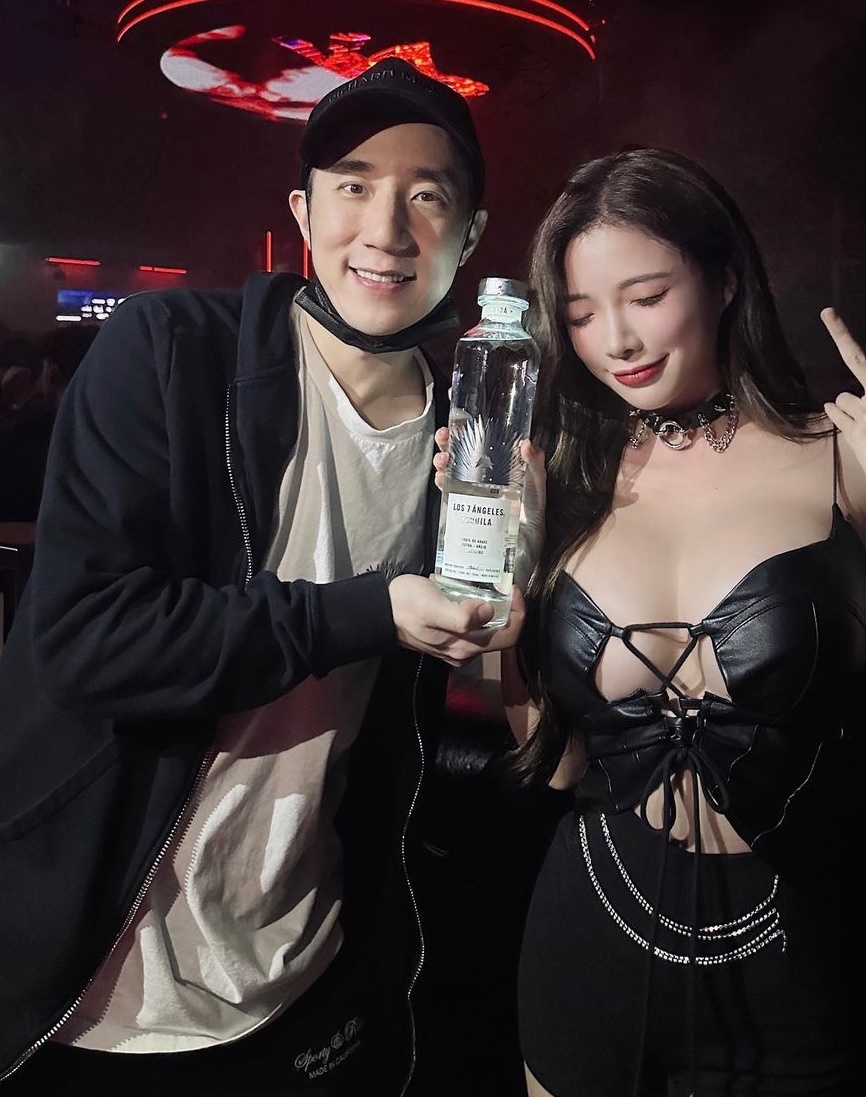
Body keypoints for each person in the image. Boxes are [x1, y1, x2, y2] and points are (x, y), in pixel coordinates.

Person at [0, 57, 522, 1097]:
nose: (386, 229)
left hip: (305, 962)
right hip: (90, 983)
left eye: (427, 197)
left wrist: (518, 585)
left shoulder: (471, 443)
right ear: (302, 211)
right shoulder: (169, 353)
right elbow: (85, 637)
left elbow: (474, 686)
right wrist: (370, 611)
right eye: (353, 186)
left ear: (469, 235)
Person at [498, 146, 866, 1096]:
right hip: (586, 938)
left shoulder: (843, 459)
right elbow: (557, 761)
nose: (615, 338)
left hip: (793, 960)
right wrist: (507, 587)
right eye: (579, 314)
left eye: (645, 295)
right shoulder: (570, 475)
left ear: (723, 279)